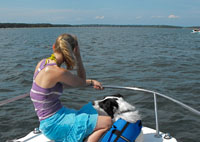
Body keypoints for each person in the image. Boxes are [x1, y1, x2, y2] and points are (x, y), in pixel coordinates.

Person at [30, 33, 112, 142]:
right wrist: (78, 56)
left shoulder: (42, 64)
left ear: (54, 47)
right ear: (72, 50)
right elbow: (81, 82)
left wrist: (91, 82)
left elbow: (68, 84)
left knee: (94, 112)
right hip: (54, 124)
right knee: (108, 122)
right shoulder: (58, 72)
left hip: (49, 120)